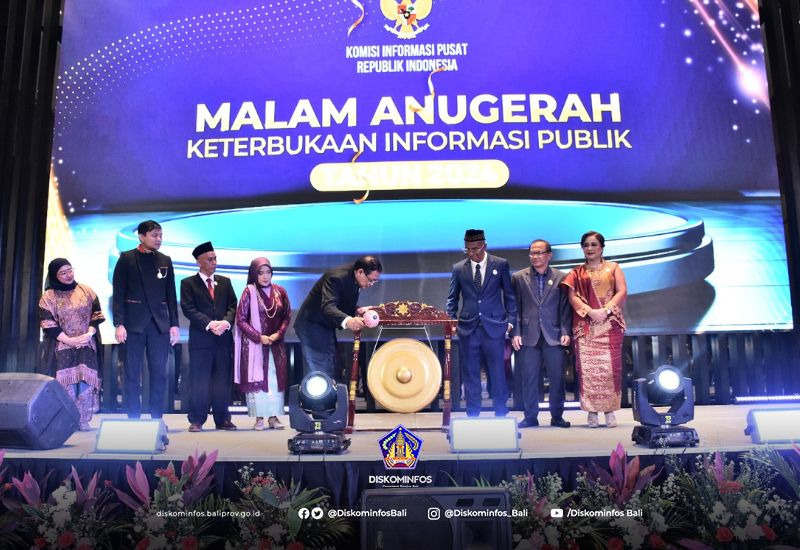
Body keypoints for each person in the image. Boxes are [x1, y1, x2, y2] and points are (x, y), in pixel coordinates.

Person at [112, 220, 179, 420]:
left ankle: (157, 418)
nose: (158, 239)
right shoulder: (126, 258)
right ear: (141, 236)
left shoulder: (165, 260)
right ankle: (133, 417)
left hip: (159, 324)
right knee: (132, 373)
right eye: (154, 235)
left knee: (159, 373)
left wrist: (174, 324)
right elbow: (118, 293)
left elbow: (171, 294)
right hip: (133, 324)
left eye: (160, 235)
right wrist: (119, 323)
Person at [446, 229, 516, 417]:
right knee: (470, 373)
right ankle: (473, 413)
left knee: (497, 372)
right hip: (468, 328)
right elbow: (452, 298)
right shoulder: (458, 268)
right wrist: (451, 320)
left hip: (494, 326)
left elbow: (509, 295)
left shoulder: (500, 264)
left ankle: (501, 412)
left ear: (484, 246)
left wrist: (510, 320)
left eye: (475, 249)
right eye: (467, 250)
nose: (471, 253)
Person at [561, 231, 627, 428]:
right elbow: (572, 297)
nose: (589, 248)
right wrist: (590, 312)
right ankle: (591, 412)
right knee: (588, 371)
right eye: (586, 245)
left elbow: (622, 291)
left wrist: (606, 310)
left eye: (594, 244)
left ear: (602, 247)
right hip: (586, 327)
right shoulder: (576, 273)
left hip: (610, 326)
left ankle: (609, 411)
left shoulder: (613, 268)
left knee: (610, 370)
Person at [511, 239, 572, 428]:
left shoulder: (561, 277)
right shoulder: (519, 277)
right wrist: (515, 332)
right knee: (529, 378)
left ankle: (557, 416)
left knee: (557, 378)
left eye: (539, 252)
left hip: (554, 334)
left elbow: (565, 308)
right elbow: (514, 307)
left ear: (549, 255)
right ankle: (530, 417)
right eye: (532, 253)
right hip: (527, 334)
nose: (535, 256)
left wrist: (565, 331)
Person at [38, 259, 105, 430]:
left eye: (70, 270)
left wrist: (89, 334)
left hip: (86, 343)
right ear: (54, 275)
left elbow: (96, 314)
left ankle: (82, 419)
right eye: (63, 273)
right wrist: (69, 340)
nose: (68, 275)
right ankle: (67, 420)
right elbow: (47, 323)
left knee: (86, 380)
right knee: (65, 383)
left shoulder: (86, 290)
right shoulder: (49, 296)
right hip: (61, 346)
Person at [180, 242, 238, 432]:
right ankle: (197, 419)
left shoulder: (225, 282)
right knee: (199, 380)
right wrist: (210, 324)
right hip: (201, 341)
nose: (214, 262)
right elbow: (188, 308)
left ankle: (223, 418)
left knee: (222, 380)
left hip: (223, 340)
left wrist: (226, 323)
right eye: (210, 259)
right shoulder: (188, 283)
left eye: (215, 258)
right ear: (199, 262)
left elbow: (233, 305)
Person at [293, 256, 382, 378]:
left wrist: (357, 310)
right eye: (370, 280)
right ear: (360, 272)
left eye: (374, 282)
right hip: (311, 326)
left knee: (333, 366)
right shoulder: (336, 277)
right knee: (321, 370)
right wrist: (349, 321)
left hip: (325, 327)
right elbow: (328, 306)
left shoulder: (353, 277)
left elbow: (341, 302)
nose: (371, 284)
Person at [234, 257, 291, 430]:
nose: (265, 276)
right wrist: (259, 337)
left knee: (274, 380)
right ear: (254, 274)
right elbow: (241, 320)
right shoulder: (249, 292)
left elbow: (287, 317)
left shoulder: (280, 291)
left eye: (268, 272)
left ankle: (273, 418)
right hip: (255, 345)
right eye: (261, 273)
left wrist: (278, 334)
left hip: (276, 344)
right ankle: (259, 418)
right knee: (257, 380)